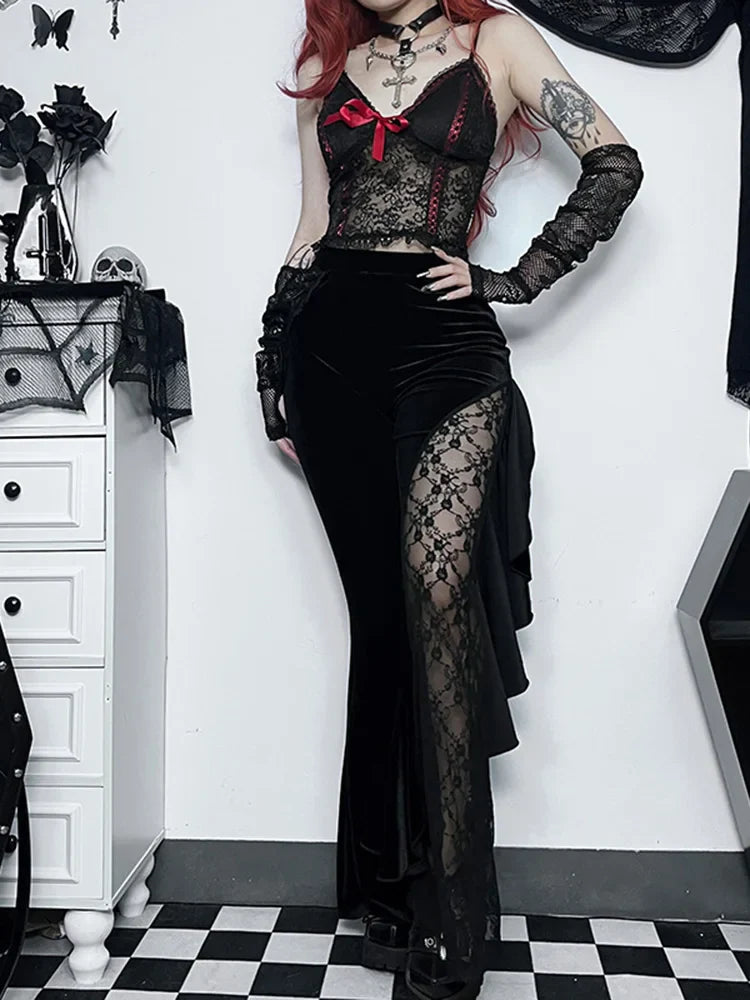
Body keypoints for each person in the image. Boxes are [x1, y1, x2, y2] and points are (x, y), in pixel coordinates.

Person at [254, 2, 643, 998]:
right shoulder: (326, 62)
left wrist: (514, 280)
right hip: (329, 350)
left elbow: (615, 163)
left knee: (438, 595)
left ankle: (458, 915)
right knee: (383, 617)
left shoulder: (496, 41)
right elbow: (312, 229)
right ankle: (391, 882)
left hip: (446, 347)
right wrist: (270, 367)